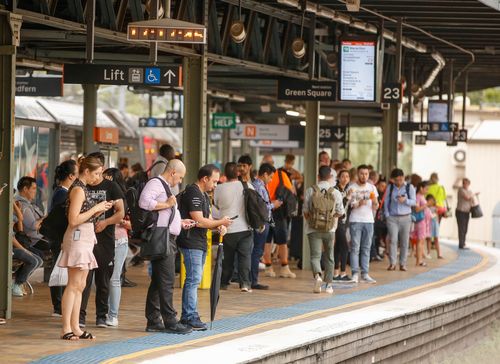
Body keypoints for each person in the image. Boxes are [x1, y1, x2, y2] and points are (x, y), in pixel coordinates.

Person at [139, 159, 196, 334]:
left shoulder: (165, 187)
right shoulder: (156, 183)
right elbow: (143, 202)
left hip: (167, 237)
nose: (180, 181)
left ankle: (154, 320)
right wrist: (168, 205)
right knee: (167, 280)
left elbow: (166, 213)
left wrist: (180, 221)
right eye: (179, 177)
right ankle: (170, 321)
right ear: (172, 172)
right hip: (162, 239)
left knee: (158, 280)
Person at [59, 156, 113, 340]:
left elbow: (82, 215)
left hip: (86, 236)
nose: (97, 178)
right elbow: (73, 220)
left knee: (80, 285)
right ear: (86, 171)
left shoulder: (83, 189)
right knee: (74, 284)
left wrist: (97, 210)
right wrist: (95, 208)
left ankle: (76, 327)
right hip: (78, 237)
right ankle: (66, 327)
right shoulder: (78, 190)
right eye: (96, 173)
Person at [177, 164, 232, 331]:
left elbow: (207, 221)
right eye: (214, 181)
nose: (216, 185)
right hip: (190, 242)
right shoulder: (193, 192)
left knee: (194, 279)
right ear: (205, 179)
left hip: (199, 242)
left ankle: (190, 315)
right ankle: (189, 316)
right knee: (193, 279)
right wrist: (220, 222)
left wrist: (218, 227)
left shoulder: (204, 196)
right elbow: (199, 220)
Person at [80, 152, 125, 328]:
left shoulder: (112, 187)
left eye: (100, 173)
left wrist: (106, 222)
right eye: (96, 172)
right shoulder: (82, 187)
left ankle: (101, 315)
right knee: (83, 279)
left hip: (105, 240)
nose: (98, 176)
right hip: (84, 238)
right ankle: (80, 316)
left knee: (103, 279)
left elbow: (120, 212)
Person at [303, 166, 344, 294]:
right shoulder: (335, 192)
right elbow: (340, 212)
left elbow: (305, 211)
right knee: (329, 256)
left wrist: (313, 220)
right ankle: (329, 285)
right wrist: (330, 218)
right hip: (330, 229)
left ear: (318, 176)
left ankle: (317, 277)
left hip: (312, 229)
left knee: (315, 256)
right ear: (330, 176)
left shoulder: (310, 190)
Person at [214, 162, 254, 292]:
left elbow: (217, 205)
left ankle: (224, 283)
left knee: (228, 259)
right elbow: (254, 204)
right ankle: (245, 284)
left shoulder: (219, 188)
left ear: (224, 174)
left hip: (227, 229)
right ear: (238, 173)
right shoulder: (247, 185)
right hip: (245, 228)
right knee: (245, 257)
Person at [49, 160, 78, 316]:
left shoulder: (61, 191)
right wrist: (62, 240)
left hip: (60, 238)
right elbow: (61, 219)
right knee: (58, 269)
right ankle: (58, 305)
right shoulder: (62, 193)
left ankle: (59, 305)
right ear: (71, 176)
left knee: (60, 268)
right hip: (59, 238)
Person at [102, 168, 130, 327]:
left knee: (114, 279)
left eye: (105, 177)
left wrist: (118, 220)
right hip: (105, 241)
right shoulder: (104, 195)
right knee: (105, 278)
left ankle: (113, 315)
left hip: (119, 241)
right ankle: (104, 312)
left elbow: (133, 222)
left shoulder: (122, 199)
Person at [347, 165, 379, 284]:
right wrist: (359, 203)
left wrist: (375, 203)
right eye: (361, 173)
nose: (364, 176)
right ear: (357, 174)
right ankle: (355, 273)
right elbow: (349, 205)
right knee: (355, 248)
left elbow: (376, 205)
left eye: (366, 174)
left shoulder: (372, 188)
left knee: (366, 248)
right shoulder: (352, 187)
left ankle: (365, 274)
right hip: (355, 220)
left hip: (369, 221)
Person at [264, 164, 296, 279]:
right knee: (282, 241)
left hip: (267, 210)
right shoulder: (282, 175)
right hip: (278, 212)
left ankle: (268, 267)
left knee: (267, 239)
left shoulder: (262, 177)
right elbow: (291, 191)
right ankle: (284, 267)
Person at [384, 168, 416, 272]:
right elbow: (386, 201)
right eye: (396, 180)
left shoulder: (409, 187)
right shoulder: (390, 187)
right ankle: (392, 263)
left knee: (404, 241)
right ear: (393, 179)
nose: (399, 182)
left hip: (406, 217)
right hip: (392, 218)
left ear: (403, 177)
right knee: (393, 240)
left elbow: (414, 202)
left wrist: (405, 200)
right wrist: (387, 215)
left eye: (401, 179)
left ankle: (402, 264)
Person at [250, 163, 275, 290]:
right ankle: (253, 280)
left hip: (260, 222)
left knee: (256, 251)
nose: (270, 180)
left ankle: (251, 279)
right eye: (270, 177)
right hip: (261, 223)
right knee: (257, 251)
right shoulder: (259, 187)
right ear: (264, 174)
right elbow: (262, 207)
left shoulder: (257, 185)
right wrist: (274, 205)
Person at [14, 176, 49, 258]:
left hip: (39, 237)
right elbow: (33, 226)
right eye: (33, 188)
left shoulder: (29, 204)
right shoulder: (22, 205)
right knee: (55, 246)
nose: (35, 191)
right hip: (33, 241)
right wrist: (43, 218)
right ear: (25, 189)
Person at [334, 170, 352, 282]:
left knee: (338, 247)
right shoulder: (336, 190)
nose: (345, 178)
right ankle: (343, 272)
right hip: (337, 221)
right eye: (343, 176)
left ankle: (336, 273)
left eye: (347, 176)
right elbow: (339, 207)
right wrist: (348, 198)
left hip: (344, 222)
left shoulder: (345, 190)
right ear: (338, 178)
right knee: (345, 247)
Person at [456, 178, 478, 250]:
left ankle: (463, 242)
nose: (466, 184)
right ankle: (461, 244)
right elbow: (467, 198)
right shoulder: (461, 190)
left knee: (465, 228)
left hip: (467, 212)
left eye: (467, 183)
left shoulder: (469, 191)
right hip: (460, 211)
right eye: (464, 183)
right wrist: (474, 194)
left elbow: (471, 200)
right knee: (461, 228)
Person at [411, 182, 429, 267]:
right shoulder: (418, 196)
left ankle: (420, 260)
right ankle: (419, 260)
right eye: (426, 189)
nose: (427, 190)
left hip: (423, 221)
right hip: (420, 221)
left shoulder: (421, 196)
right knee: (420, 240)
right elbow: (417, 209)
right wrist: (426, 205)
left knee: (421, 240)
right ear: (421, 188)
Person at [426, 194, 443, 259]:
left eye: (432, 200)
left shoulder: (436, 207)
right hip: (429, 224)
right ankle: (428, 253)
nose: (431, 202)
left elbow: (438, 215)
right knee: (429, 239)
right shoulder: (426, 208)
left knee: (436, 239)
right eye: (429, 201)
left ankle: (439, 254)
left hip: (435, 224)